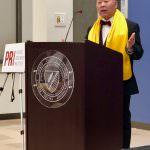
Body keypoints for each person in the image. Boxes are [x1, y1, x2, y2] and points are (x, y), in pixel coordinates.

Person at [85, 0, 144, 148]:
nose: (102, 5)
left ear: (116, 4)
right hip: (97, 83)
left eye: (106, 1)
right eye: (99, 2)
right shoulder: (91, 28)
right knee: (99, 119)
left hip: (121, 81)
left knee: (122, 119)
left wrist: (130, 48)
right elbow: (87, 54)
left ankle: (123, 147)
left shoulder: (130, 26)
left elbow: (138, 54)